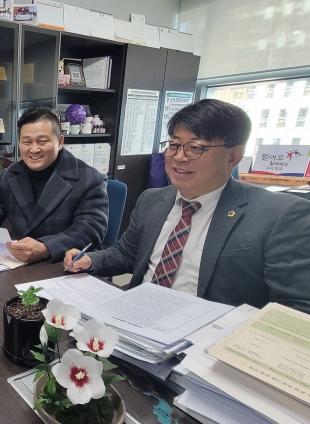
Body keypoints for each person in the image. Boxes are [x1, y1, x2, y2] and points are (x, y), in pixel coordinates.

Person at [64, 99, 310, 314]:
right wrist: (90, 260)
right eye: (174, 144)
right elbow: (126, 254)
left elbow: (296, 308)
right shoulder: (152, 199)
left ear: (233, 156)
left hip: (208, 337)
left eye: (195, 148)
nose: (179, 157)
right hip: (136, 313)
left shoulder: (281, 215)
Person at [0, 106, 108, 263]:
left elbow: (89, 230)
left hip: (63, 264)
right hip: (16, 261)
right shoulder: (9, 175)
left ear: (60, 142)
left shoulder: (90, 179)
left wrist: (45, 248)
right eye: (27, 142)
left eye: (42, 141)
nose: (34, 149)